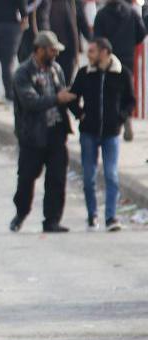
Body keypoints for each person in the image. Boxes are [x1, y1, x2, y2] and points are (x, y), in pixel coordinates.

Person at [11, 31, 77, 233]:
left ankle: (52, 220)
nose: (55, 54)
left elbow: (65, 96)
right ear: (39, 50)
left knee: (57, 179)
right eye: (52, 50)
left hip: (56, 132)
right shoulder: (23, 73)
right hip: (33, 135)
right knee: (26, 178)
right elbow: (31, 102)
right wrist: (58, 99)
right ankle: (21, 213)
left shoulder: (56, 69)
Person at [68, 37, 136, 231]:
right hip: (88, 132)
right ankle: (92, 215)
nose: (88, 55)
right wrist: (80, 114)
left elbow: (130, 101)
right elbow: (73, 97)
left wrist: (120, 118)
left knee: (111, 175)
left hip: (111, 133)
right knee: (89, 176)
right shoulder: (85, 73)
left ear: (104, 52)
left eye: (92, 51)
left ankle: (111, 217)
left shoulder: (121, 74)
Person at [93, 0, 146, 140]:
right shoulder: (131, 12)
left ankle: (113, 122)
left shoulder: (102, 14)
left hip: (108, 59)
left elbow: (97, 38)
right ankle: (125, 117)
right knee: (127, 89)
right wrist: (130, 43)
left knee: (109, 92)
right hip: (127, 57)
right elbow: (141, 33)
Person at [0, 0, 28, 108]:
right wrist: (24, 16)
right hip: (9, 24)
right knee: (7, 63)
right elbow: (21, 3)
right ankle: (9, 96)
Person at [40, 0, 92, 83]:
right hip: (50, 48)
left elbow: (82, 21)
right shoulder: (45, 2)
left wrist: (93, 39)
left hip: (68, 48)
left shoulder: (74, 2)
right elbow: (42, 20)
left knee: (66, 81)